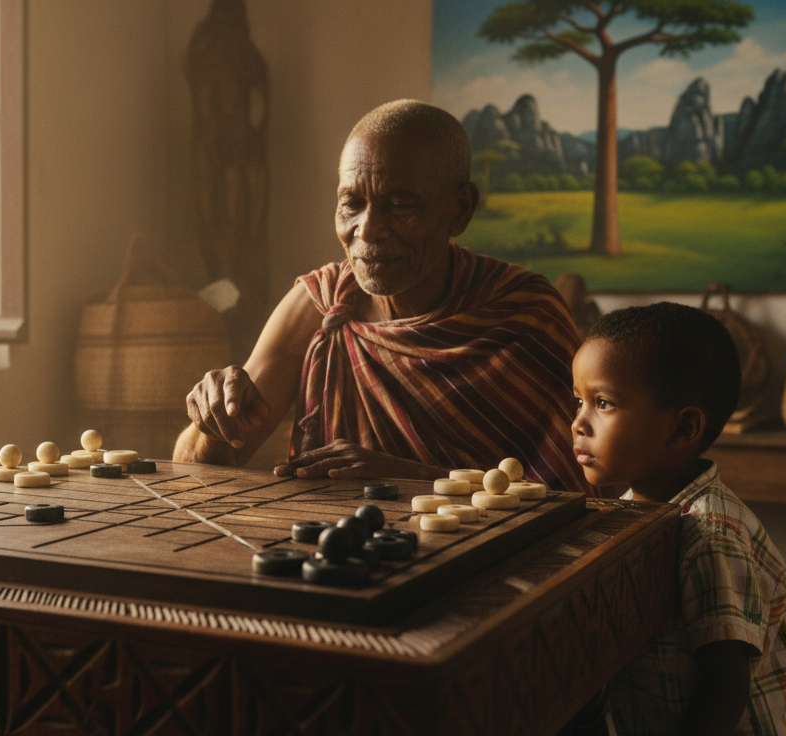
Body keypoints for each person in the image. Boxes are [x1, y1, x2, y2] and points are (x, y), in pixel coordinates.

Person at [174, 99, 586, 494]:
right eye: (351, 203)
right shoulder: (321, 304)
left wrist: (412, 477)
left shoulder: (526, 315)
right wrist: (210, 424)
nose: (367, 230)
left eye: (400, 205)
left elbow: (573, 499)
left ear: (460, 210)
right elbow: (194, 472)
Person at [572, 302, 786, 736]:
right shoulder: (629, 510)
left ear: (683, 427)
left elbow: (726, 687)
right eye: (578, 400)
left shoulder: (708, 534)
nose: (578, 423)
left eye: (603, 403)